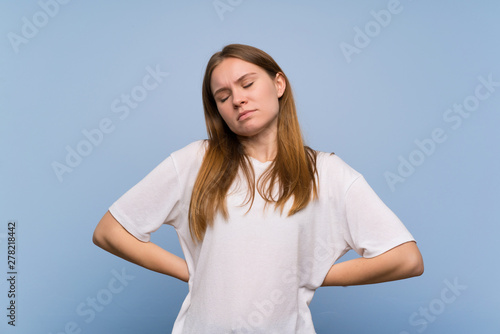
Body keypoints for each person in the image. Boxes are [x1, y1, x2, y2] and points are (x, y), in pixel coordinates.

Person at [93, 43, 424, 333]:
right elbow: (110, 231)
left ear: (278, 83)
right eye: (223, 97)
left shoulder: (325, 173)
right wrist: (195, 272)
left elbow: (406, 259)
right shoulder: (196, 161)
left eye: (247, 84)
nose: (237, 99)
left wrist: (313, 275)